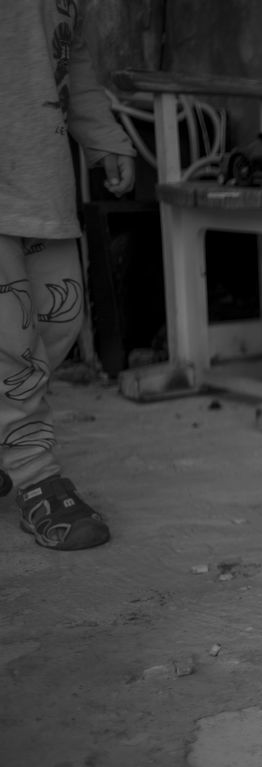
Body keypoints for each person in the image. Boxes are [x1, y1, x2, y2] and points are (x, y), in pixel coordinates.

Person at [0, 0, 136, 549]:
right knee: (12, 342)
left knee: (60, 317)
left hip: (41, 179)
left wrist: (102, 136)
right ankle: (35, 476)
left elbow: (70, 58)